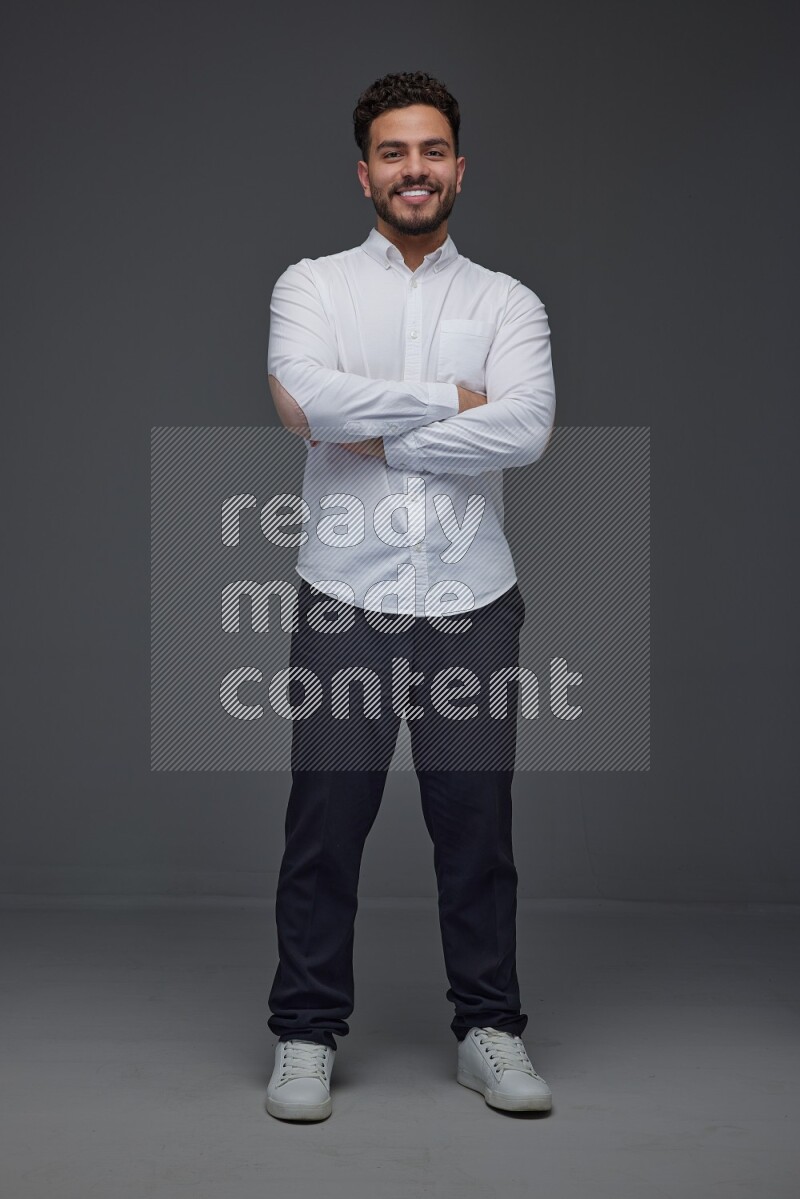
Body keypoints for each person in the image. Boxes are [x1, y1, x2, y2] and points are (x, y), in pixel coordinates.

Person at [264, 71, 556, 1122]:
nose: (414, 169)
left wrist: (372, 422)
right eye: (393, 152)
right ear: (364, 172)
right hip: (344, 597)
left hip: (472, 605)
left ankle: (490, 1027)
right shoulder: (311, 287)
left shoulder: (506, 302)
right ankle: (303, 1031)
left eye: (430, 150)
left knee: (473, 825)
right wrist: (450, 405)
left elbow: (523, 431)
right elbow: (306, 401)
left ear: (458, 167)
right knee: (325, 823)